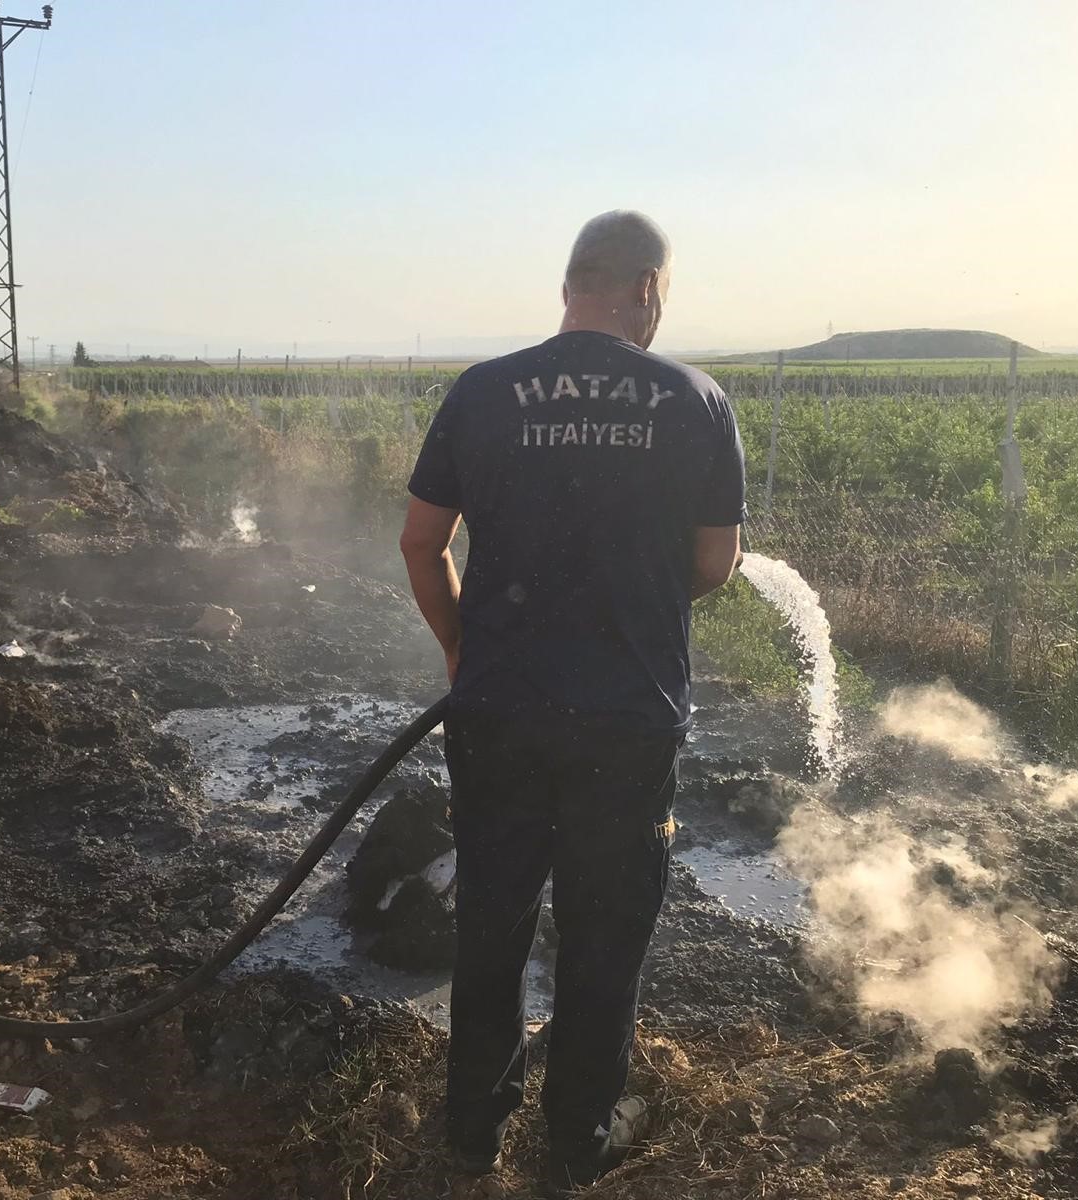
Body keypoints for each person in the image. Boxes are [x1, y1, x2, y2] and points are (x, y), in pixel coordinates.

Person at [399, 210, 746, 1193]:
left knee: (492, 922)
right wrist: (622, 596)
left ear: (568, 286)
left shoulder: (483, 391)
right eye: (661, 296)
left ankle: (472, 1131)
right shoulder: (693, 400)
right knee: (603, 933)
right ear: (640, 288)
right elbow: (713, 564)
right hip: (627, 722)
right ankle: (578, 1138)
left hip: (498, 713)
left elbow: (420, 544)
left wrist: (467, 650)